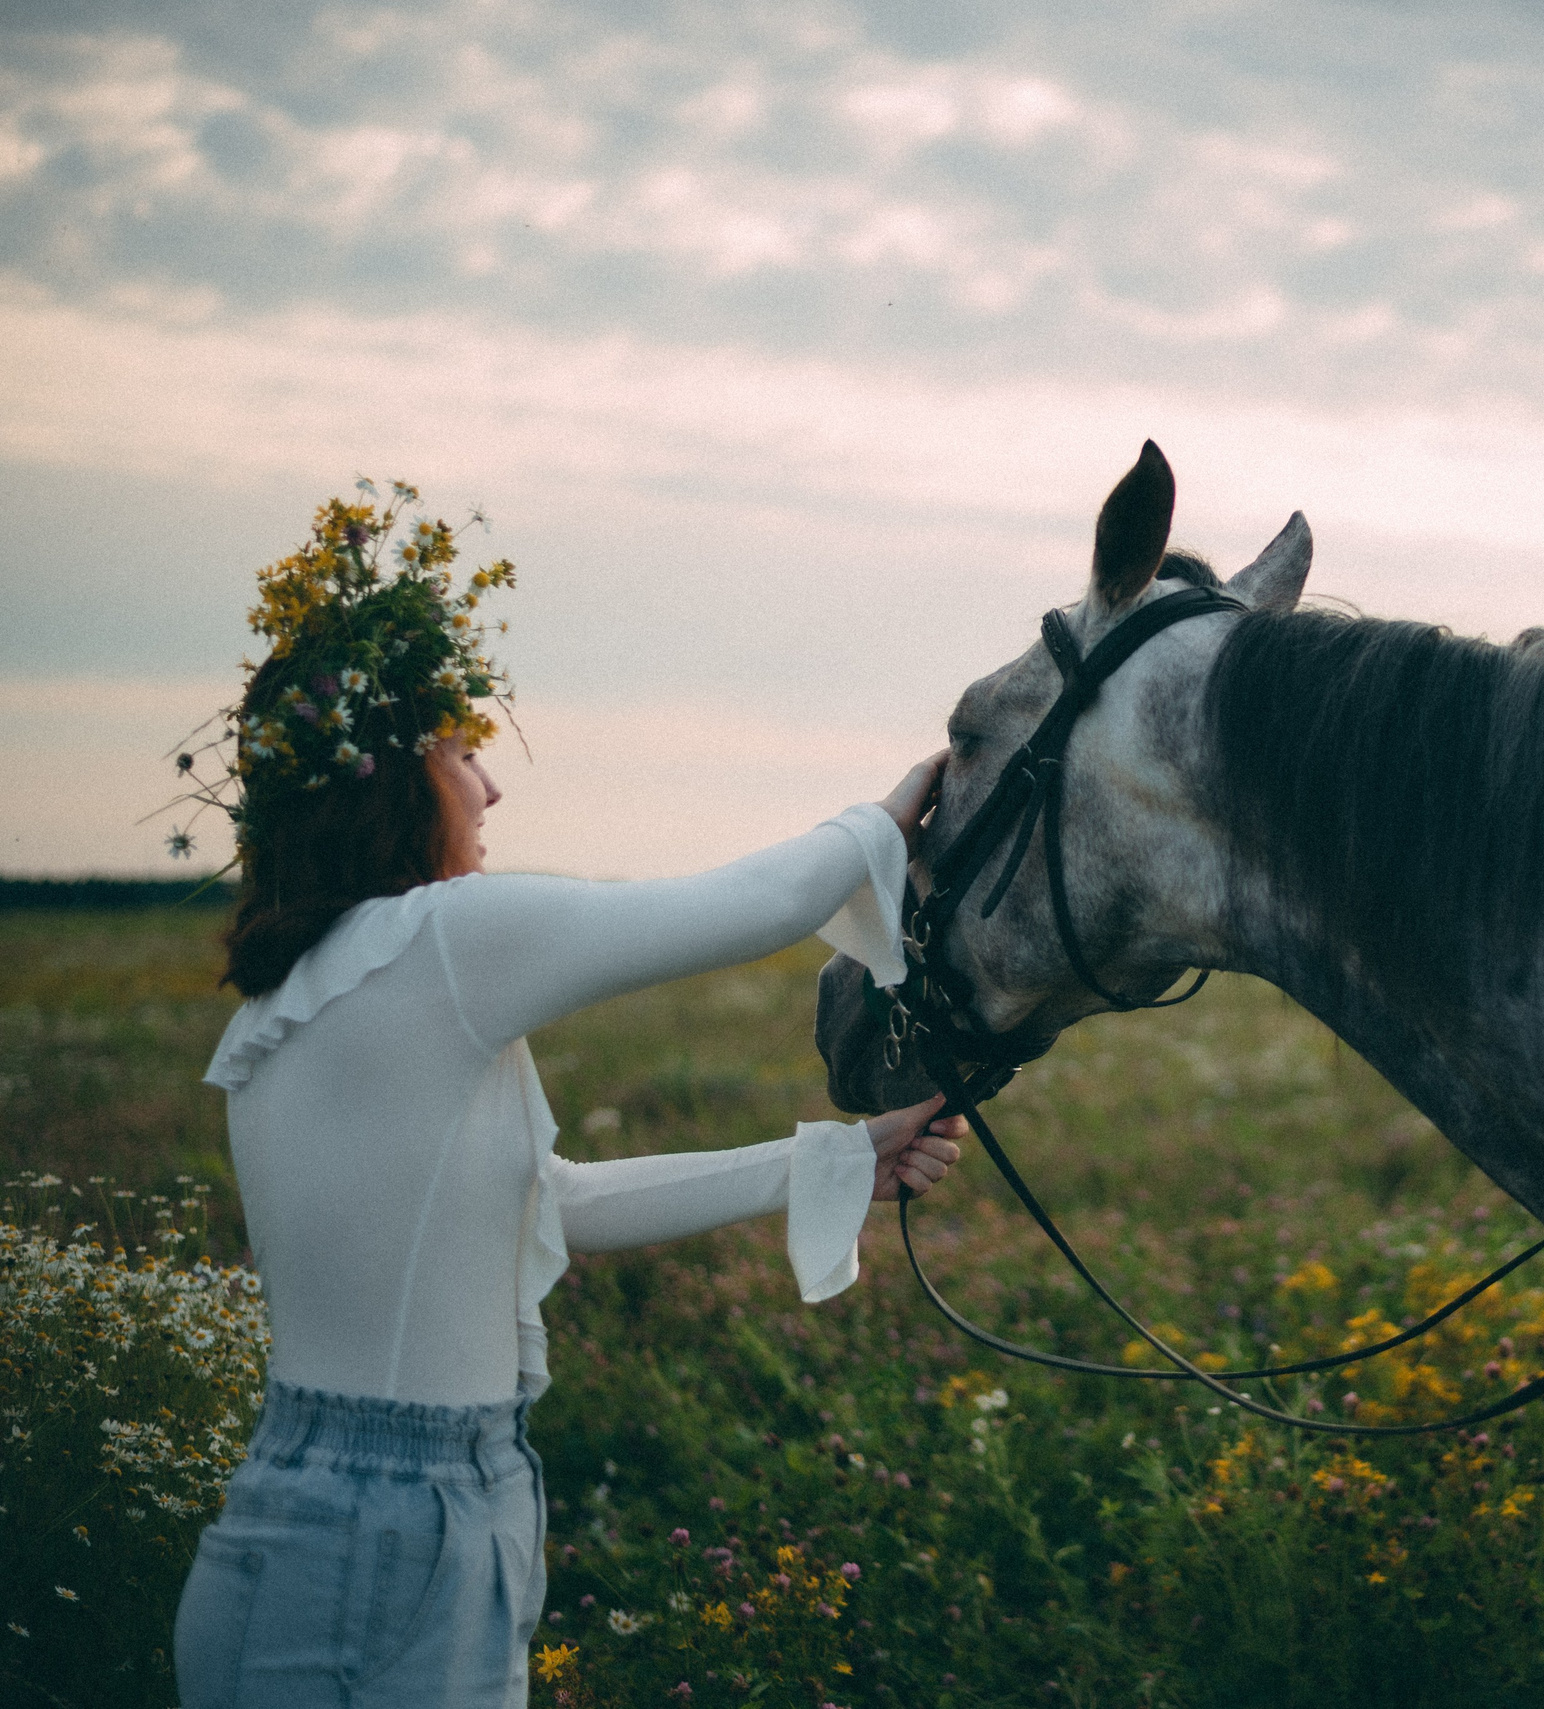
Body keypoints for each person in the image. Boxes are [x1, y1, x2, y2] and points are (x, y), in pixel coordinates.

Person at [168, 488, 961, 1707]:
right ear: (389, 780)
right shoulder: (434, 941)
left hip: (314, 1515)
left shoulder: (287, 998)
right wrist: (896, 808)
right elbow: (730, 908)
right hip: (400, 1529)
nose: (488, 788)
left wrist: (847, 1155)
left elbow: (550, 1202)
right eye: (458, 750)